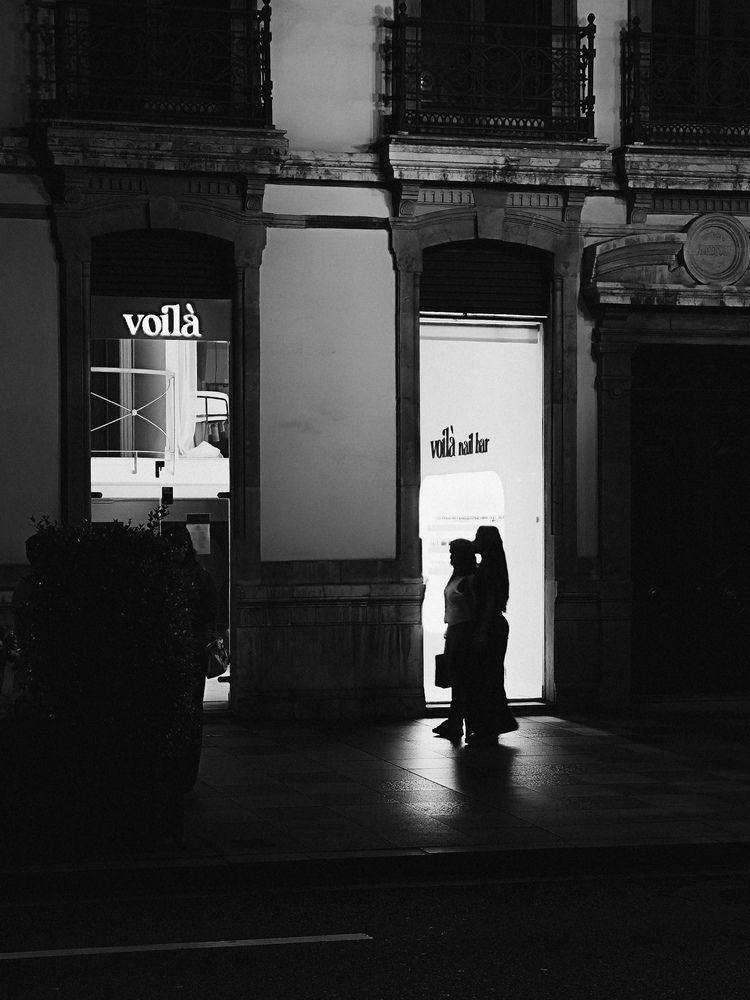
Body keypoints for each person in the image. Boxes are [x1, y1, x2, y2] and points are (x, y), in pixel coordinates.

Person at [167, 525, 219, 792]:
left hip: (181, 650)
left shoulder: (166, 579)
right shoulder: (201, 577)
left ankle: (180, 769)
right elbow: (211, 612)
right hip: (193, 649)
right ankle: (186, 769)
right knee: (192, 710)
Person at [465, 525, 518, 747]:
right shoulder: (494, 567)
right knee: (491, 675)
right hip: (495, 625)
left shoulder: (487, 570)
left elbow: (488, 602)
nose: (474, 541)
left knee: (486, 676)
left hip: (489, 627)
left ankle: (489, 724)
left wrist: (481, 631)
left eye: (478, 537)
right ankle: (495, 722)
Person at [433, 539, 477, 740]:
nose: (450, 557)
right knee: (458, 679)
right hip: (454, 631)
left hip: (463, 633)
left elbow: (474, 610)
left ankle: (459, 722)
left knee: (462, 679)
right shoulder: (457, 577)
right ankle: (456, 721)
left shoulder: (468, 580)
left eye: (453, 553)